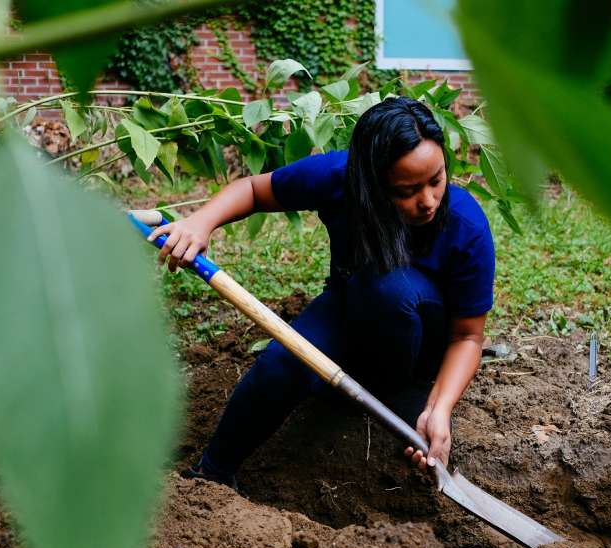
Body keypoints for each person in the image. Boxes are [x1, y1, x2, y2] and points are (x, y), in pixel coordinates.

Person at [148, 96, 495, 489]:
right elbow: (254, 190)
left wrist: (439, 406)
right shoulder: (339, 178)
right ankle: (211, 476)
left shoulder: (465, 225)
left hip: (422, 352)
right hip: (352, 307)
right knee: (279, 363)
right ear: (371, 183)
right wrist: (201, 222)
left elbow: (468, 336)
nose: (428, 201)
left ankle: (399, 394)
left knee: (390, 290)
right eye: (406, 190)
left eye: (436, 180)